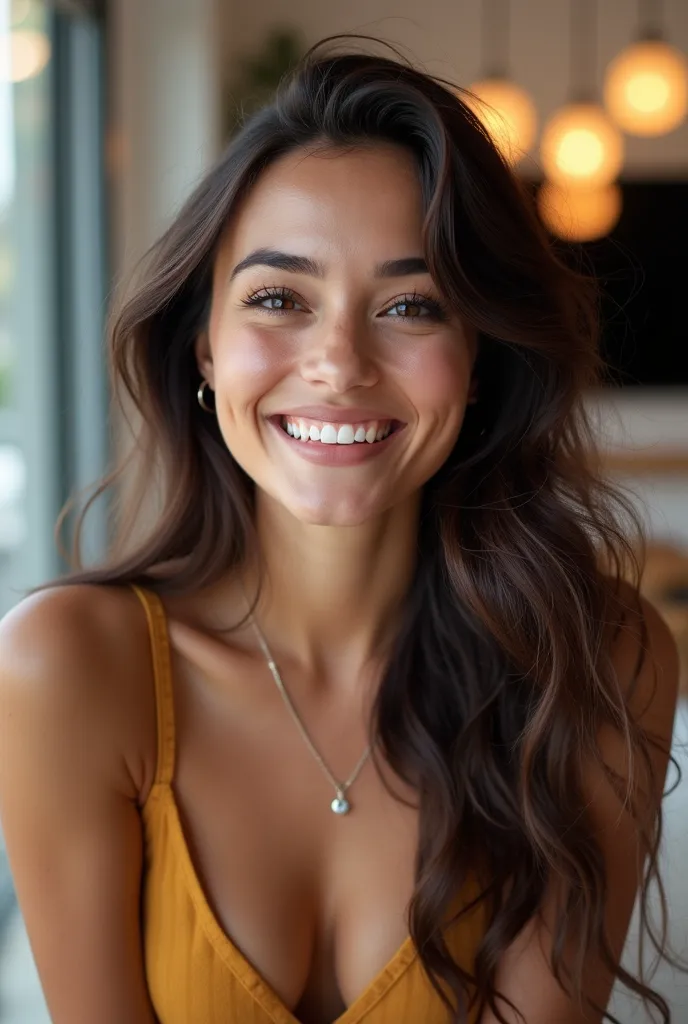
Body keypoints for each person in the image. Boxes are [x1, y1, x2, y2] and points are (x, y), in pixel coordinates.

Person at [0, 37, 681, 1024]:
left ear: (479, 356)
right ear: (204, 343)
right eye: (279, 297)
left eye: (411, 304)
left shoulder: (597, 663)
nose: (338, 362)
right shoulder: (67, 669)